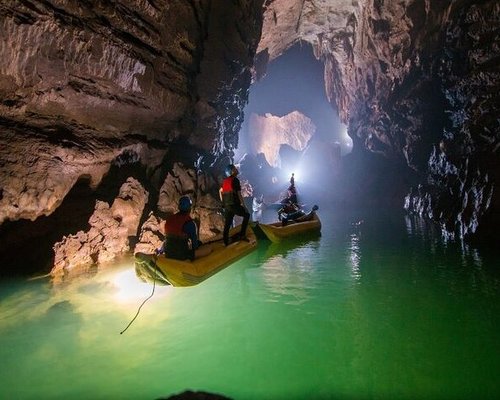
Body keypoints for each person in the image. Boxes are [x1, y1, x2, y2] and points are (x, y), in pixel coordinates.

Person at [163, 195, 212, 260]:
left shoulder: (170, 219)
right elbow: (194, 244)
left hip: (168, 253)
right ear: (189, 208)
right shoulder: (189, 224)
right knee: (209, 249)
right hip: (181, 255)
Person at [219, 164, 250, 246]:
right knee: (247, 215)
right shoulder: (235, 180)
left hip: (227, 206)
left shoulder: (225, 181)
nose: (236, 169)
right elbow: (239, 194)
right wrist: (244, 206)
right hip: (234, 205)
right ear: (231, 171)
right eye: (235, 169)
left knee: (228, 223)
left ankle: (225, 241)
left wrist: (223, 203)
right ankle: (242, 235)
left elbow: (220, 191)